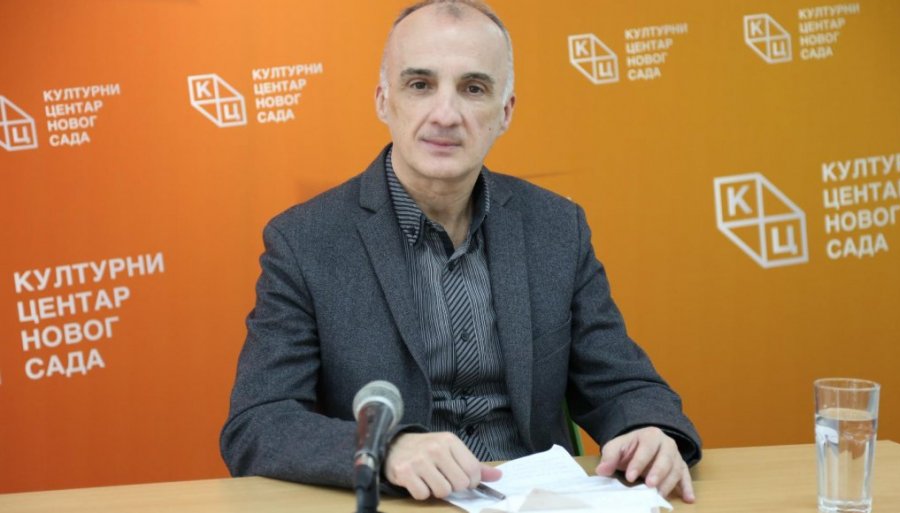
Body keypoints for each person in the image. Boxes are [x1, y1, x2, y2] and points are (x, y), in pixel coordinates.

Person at [221, 0, 701, 504]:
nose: (445, 115)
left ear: (505, 111)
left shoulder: (557, 227)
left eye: (473, 89)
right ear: (384, 101)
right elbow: (258, 423)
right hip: (399, 501)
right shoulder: (305, 241)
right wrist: (385, 448)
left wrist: (649, 430)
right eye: (420, 85)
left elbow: (623, 384)